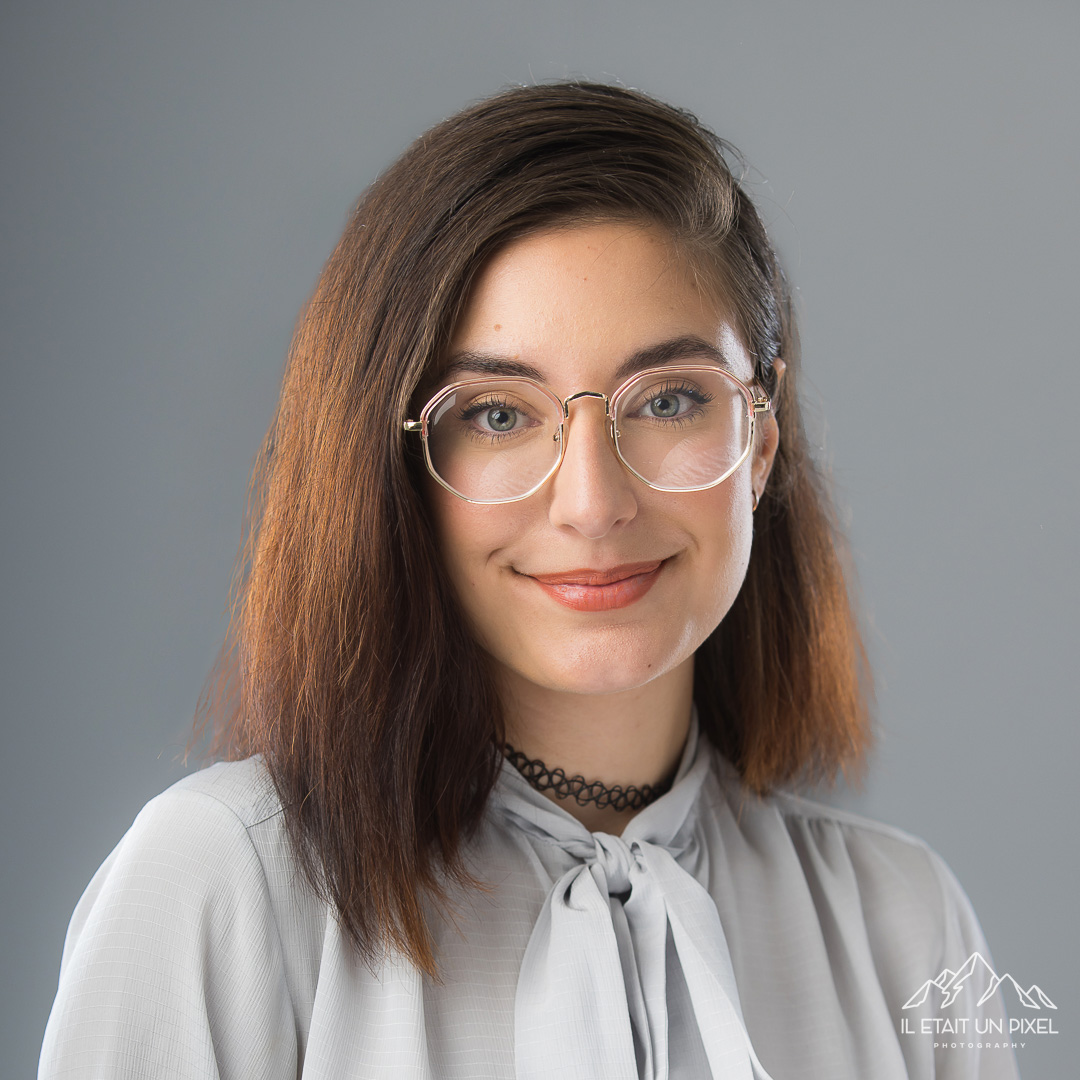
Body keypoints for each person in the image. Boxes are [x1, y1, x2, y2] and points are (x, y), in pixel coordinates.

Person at [39, 82, 1019, 1079]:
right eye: (498, 415)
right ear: (392, 467)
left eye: (669, 399)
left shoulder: (906, 926)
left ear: (759, 442)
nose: (593, 505)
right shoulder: (220, 888)